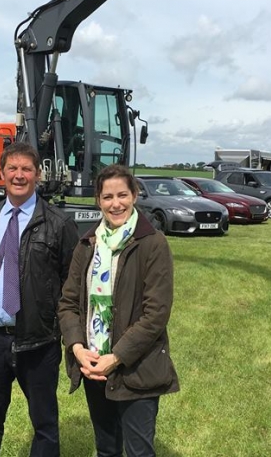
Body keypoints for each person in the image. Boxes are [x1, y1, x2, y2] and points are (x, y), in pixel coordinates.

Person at [58, 164, 179, 457]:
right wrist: (77, 348)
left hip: (136, 367)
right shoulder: (87, 244)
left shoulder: (152, 244)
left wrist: (117, 357)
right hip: (94, 365)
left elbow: (156, 313)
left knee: (139, 452)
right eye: (107, 197)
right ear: (98, 200)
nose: (116, 204)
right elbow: (68, 303)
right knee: (107, 449)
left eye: (122, 195)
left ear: (134, 195)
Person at [0, 142, 79, 457]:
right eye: (13, 169)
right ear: (1, 173)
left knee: (44, 423)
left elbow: (71, 286)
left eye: (26, 169)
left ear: (38, 175)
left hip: (38, 343)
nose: (19, 176)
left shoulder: (59, 224)